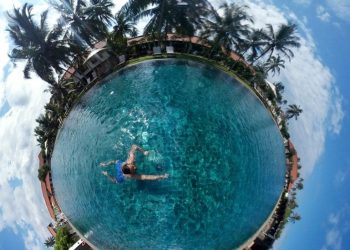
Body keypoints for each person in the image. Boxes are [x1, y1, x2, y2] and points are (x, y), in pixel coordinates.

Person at [100, 144, 168, 183]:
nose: (135, 167)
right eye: (133, 169)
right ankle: (105, 169)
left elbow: (134, 146)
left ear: (128, 164)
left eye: (133, 166)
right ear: (130, 173)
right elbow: (147, 177)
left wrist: (144, 152)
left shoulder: (130, 160)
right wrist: (107, 175)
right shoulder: (125, 177)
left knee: (115, 161)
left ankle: (105, 165)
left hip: (122, 164)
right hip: (122, 173)